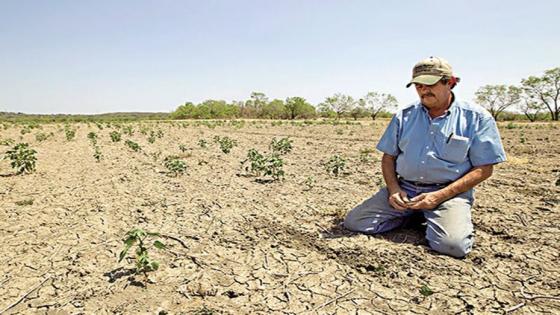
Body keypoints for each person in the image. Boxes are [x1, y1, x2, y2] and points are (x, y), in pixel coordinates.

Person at [344, 56, 506, 258]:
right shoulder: (404, 116)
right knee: (355, 222)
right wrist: (394, 189)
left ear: (450, 82)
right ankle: (413, 214)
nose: (424, 90)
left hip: (448, 194)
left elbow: (484, 169)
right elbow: (388, 158)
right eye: (418, 85)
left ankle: (436, 216)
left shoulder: (476, 118)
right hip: (406, 189)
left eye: (430, 84)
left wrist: (438, 197)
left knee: (452, 246)